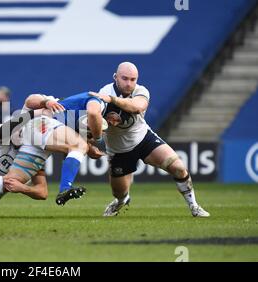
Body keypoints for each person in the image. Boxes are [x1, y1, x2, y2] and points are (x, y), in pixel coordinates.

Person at [90, 62, 210, 217]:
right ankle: (121, 201)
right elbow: (93, 116)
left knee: (179, 167)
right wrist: (94, 136)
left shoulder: (140, 91)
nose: (129, 83)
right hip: (118, 151)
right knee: (119, 192)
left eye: (133, 79)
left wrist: (112, 100)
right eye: (125, 78)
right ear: (115, 77)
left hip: (143, 139)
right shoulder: (104, 92)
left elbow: (137, 107)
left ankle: (194, 206)